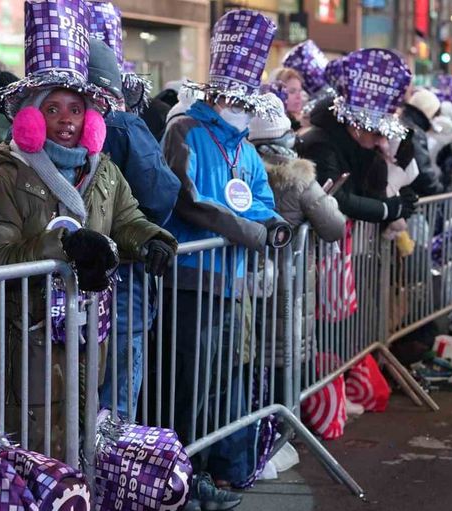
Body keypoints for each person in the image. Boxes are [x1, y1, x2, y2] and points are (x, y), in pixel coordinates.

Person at [0, 2, 176, 457]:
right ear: (29, 117)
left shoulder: (103, 171)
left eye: (76, 109)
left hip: (87, 340)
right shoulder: (2, 178)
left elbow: (127, 219)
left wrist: (150, 241)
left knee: (81, 445)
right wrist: (62, 246)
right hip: (27, 347)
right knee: (35, 455)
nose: (67, 119)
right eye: (53, 108)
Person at [160, 10, 290, 510]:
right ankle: (181, 478)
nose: (236, 105)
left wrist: (272, 225)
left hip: (231, 281)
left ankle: (212, 470)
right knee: (189, 385)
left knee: (220, 382)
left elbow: (260, 200)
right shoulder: (185, 129)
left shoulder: (246, 149)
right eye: (230, 96)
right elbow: (187, 199)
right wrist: (253, 231)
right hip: (191, 281)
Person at [87, 36, 181, 417]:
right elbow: (160, 195)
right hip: (123, 291)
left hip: (69, 300)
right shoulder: (124, 126)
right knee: (117, 406)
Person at [248, 93, 346, 393]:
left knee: (254, 357)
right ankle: (286, 417)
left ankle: (264, 416)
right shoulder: (299, 176)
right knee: (287, 357)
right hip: (290, 281)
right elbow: (334, 226)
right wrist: (328, 201)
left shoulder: (241, 169)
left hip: (249, 278)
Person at [299, 49, 418, 230]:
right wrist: (387, 209)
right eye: (377, 134)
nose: (381, 141)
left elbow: (367, 192)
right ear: (356, 127)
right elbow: (336, 198)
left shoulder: (356, 146)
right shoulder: (320, 145)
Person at [400, 88, 444, 196]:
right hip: (410, 194)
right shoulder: (415, 132)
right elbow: (423, 170)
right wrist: (438, 189)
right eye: (434, 115)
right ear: (428, 111)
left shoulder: (402, 122)